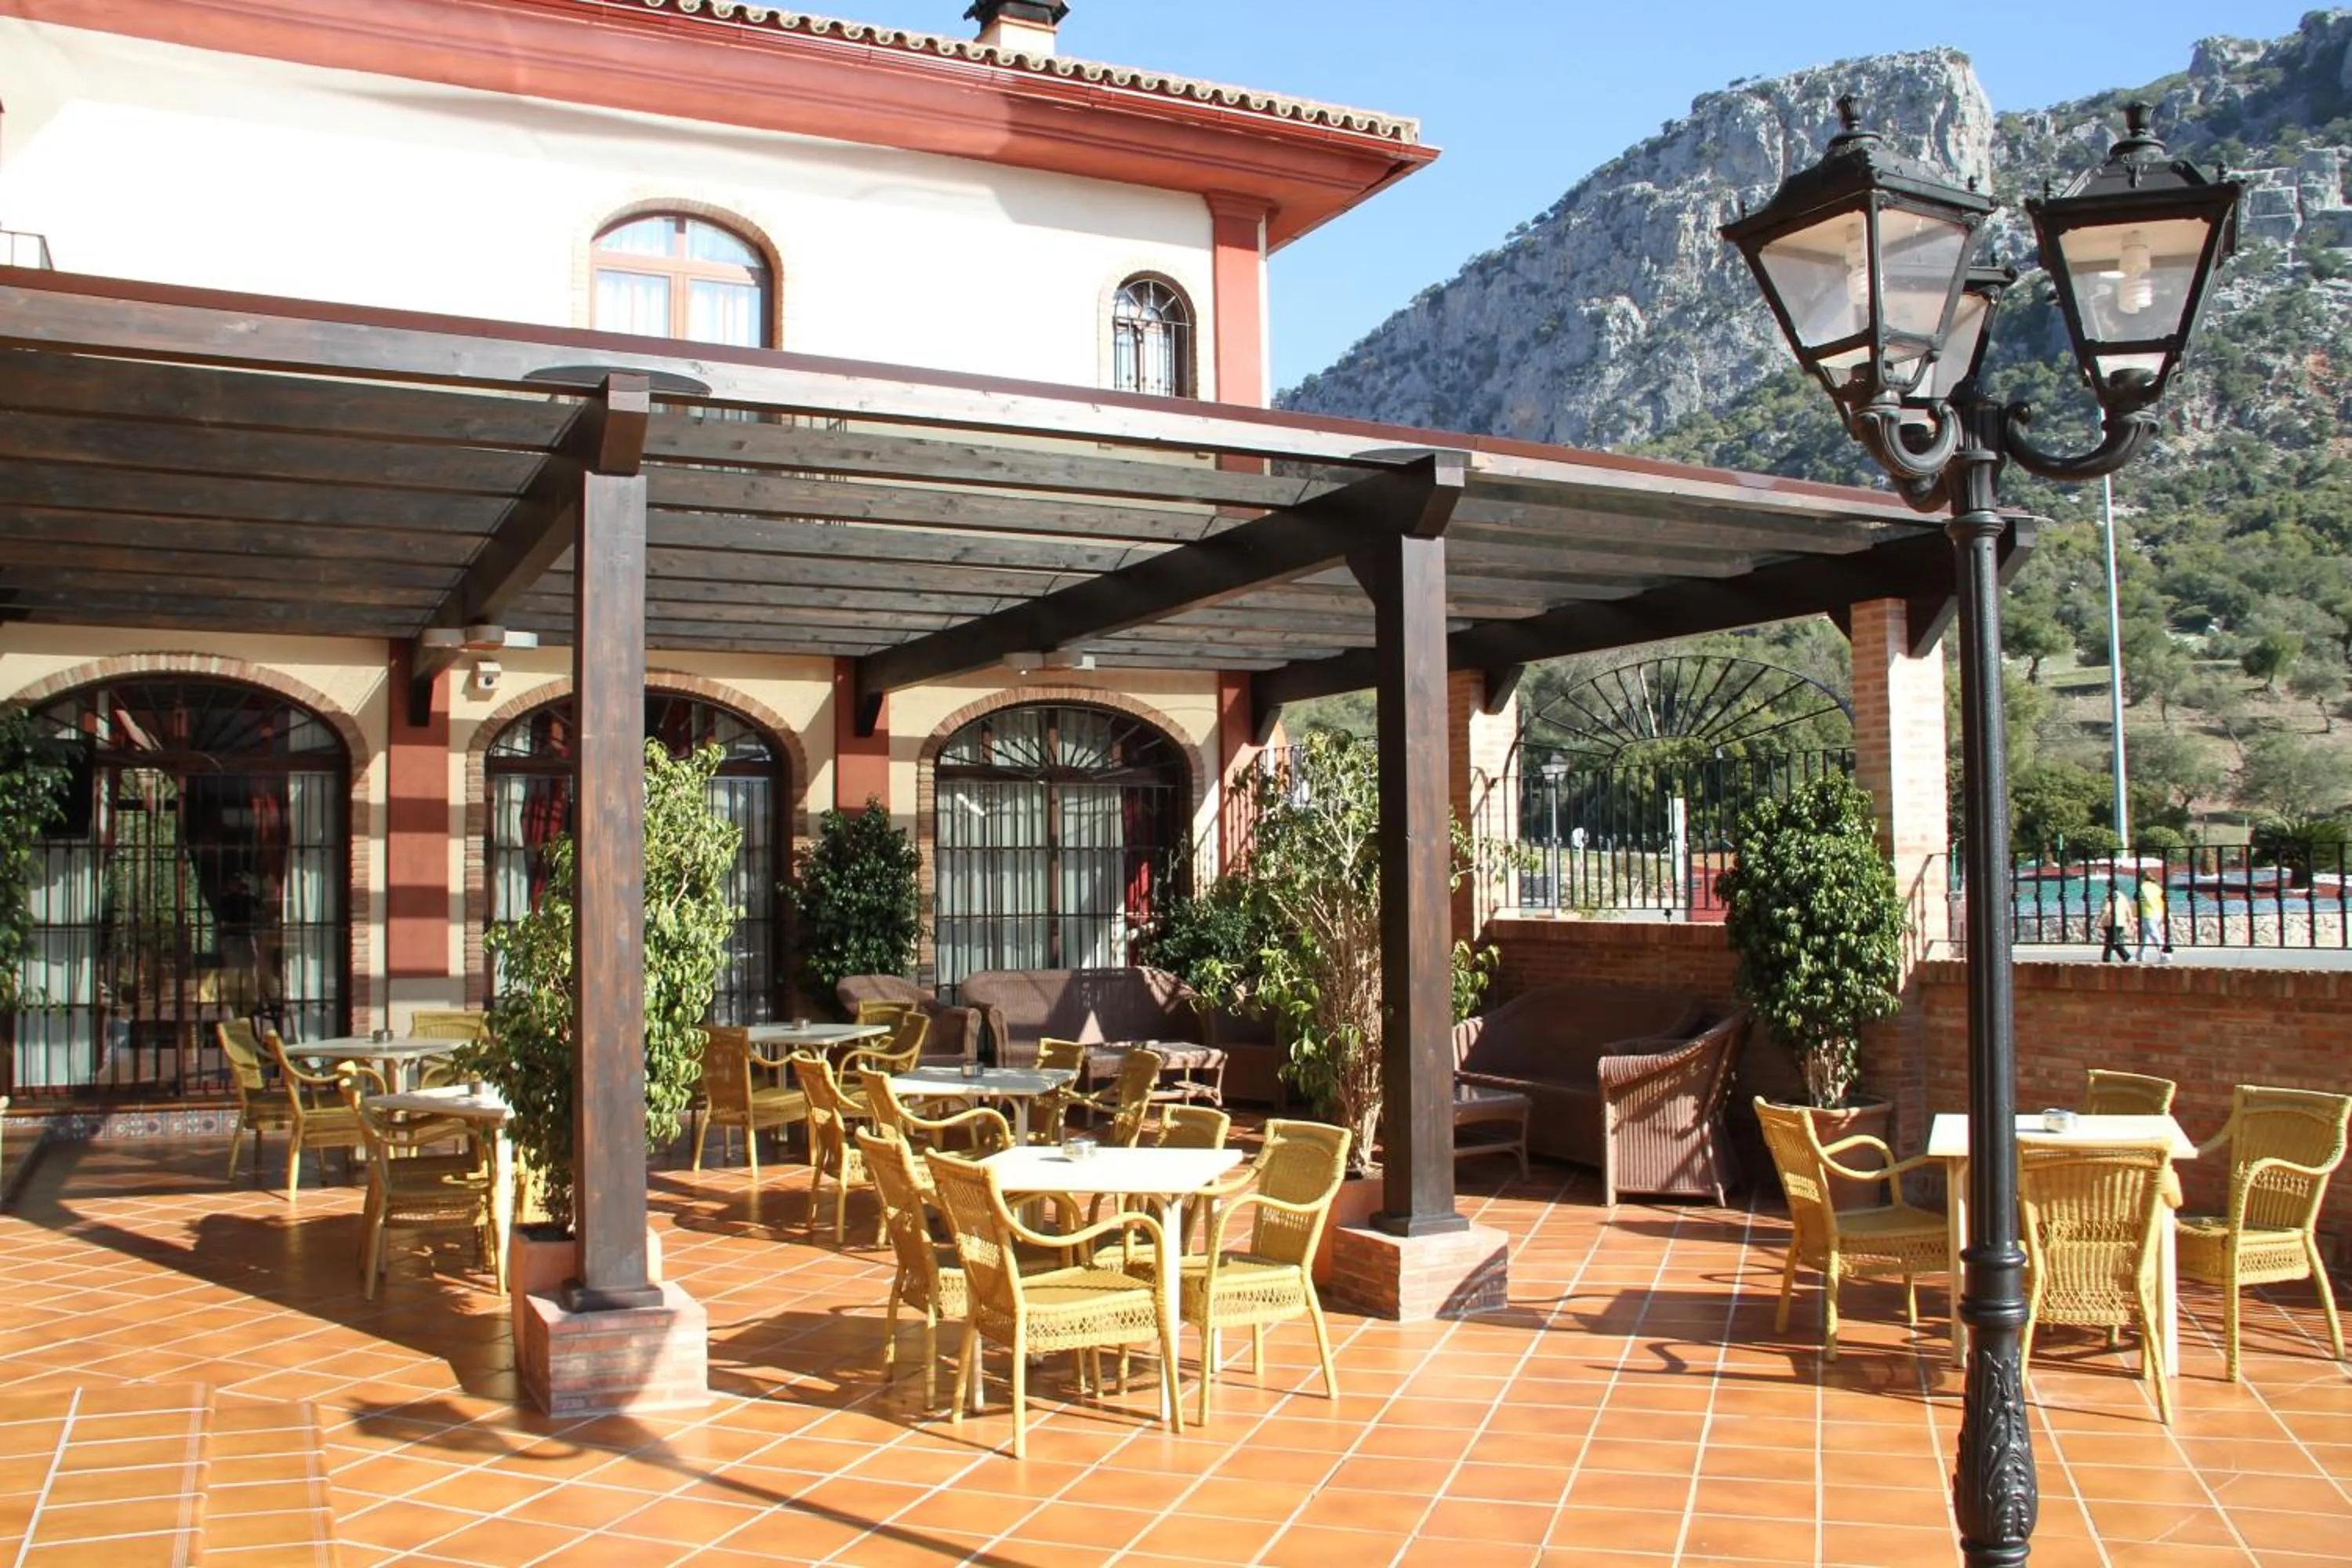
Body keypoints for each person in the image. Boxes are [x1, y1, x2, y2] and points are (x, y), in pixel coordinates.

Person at [2137, 873, 2172, 964]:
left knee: (2155, 935)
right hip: (2158, 913)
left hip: (2148, 914)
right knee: (2145, 934)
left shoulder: (2142, 887)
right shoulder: (2157, 888)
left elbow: (2139, 901)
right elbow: (2163, 901)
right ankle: (2140, 954)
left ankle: (2164, 955)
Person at [2100, 884, 2136, 964]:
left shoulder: (2109, 896)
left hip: (2110, 921)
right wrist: (2131, 921)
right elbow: (2128, 909)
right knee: (2110, 940)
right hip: (2121, 921)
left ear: (2109, 887)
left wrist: (2100, 920)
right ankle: (2106, 958)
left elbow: (2106, 909)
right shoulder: (2122, 896)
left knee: (2114, 941)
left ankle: (2126, 957)